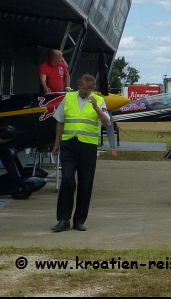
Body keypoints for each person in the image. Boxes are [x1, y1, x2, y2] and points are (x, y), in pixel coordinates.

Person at [50, 74, 111, 232]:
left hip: (87, 146)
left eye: (88, 89)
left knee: (86, 183)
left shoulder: (99, 100)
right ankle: (63, 219)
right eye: (82, 88)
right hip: (69, 144)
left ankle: (79, 220)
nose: (85, 91)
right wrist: (56, 144)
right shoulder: (69, 98)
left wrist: (96, 107)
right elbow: (60, 121)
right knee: (67, 180)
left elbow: (107, 122)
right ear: (78, 85)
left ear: (93, 88)